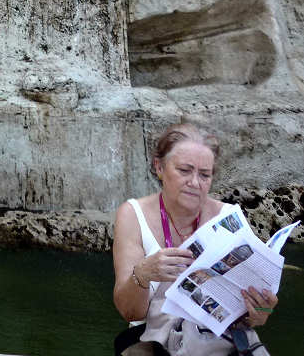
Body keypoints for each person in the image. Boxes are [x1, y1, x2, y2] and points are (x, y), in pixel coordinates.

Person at [112, 122, 278, 355]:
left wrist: (259, 313)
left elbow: (249, 319)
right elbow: (130, 312)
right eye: (184, 170)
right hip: (154, 342)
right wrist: (143, 274)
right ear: (159, 167)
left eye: (204, 175)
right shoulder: (132, 214)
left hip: (218, 342)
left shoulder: (228, 216)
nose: (195, 183)